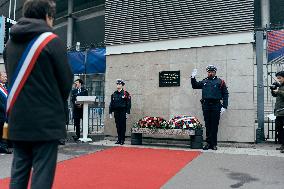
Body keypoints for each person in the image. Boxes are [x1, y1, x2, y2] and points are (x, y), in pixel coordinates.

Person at [3, 0, 73, 188]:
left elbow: (11, 79)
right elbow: (66, 82)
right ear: (47, 16)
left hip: (18, 121)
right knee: (42, 175)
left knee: (18, 173)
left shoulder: (9, 45)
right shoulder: (52, 42)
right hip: (45, 123)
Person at [191, 65, 229, 150]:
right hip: (206, 105)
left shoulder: (220, 82)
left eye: (212, 72)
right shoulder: (204, 81)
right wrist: (193, 77)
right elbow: (195, 86)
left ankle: (214, 144)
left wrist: (224, 106)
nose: (210, 73)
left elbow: (225, 94)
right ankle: (208, 143)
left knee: (214, 125)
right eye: (209, 72)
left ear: (215, 72)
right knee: (208, 125)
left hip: (216, 105)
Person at [109, 79, 131, 145]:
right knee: (118, 126)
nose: (118, 85)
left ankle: (122, 140)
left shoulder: (125, 93)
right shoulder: (114, 94)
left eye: (119, 84)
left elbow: (128, 103)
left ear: (122, 85)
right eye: (117, 84)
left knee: (122, 126)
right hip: (116, 111)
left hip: (123, 111)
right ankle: (119, 139)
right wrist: (110, 112)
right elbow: (111, 103)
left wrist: (127, 112)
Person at [271, 71, 284, 153]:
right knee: (279, 129)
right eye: (278, 78)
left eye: (280, 78)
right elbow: (276, 95)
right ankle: (283, 145)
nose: (279, 80)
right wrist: (273, 90)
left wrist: (278, 91)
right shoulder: (281, 86)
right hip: (279, 112)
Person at [0, 71, 12, 154]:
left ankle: (7, 145)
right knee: (3, 129)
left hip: (8, 112)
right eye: (4, 76)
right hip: (2, 113)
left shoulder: (6, 86)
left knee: (6, 129)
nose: (6, 77)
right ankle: (3, 147)